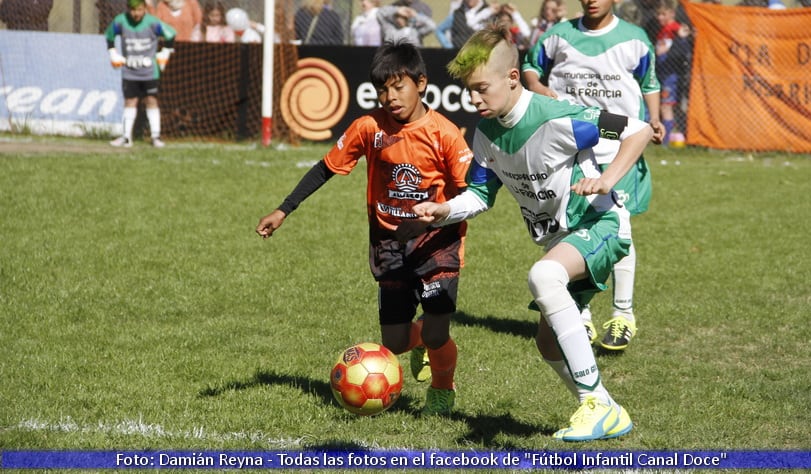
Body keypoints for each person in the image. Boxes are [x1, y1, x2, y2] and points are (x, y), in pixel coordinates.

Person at [402, 24, 652, 441]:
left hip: (600, 224)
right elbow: (481, 196)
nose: (474, 99)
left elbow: (637, 130)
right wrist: (443, 209)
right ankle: (608, 409)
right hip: (561, 240)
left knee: (543, 277)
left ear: (513, 78)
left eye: (482, 88)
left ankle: (593, 403)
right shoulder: (487, 135)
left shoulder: (559, 117)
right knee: (548, 345)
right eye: (469, 90)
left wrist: (608, 179)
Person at [255, 41, 473, 416]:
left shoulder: (445, 134)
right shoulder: (368, 127)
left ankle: (442, 387)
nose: (389, 97)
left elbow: (471, 195)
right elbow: (326, 167)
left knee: (438, 332)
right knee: (397, 342)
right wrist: (283, 209)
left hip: (437, 244)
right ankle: (420, 342)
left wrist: (431, 217)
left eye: (398, 87)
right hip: (388, 243)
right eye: (382, 90)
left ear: (421, 83)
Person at [522, 0, 663, 351]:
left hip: (620, 151)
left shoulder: (635, 38)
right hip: (573, 152)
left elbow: (649, 83)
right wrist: (541, 92)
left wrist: (655, 119)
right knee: (572, 229)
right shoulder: (558, 35)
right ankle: (580, 316)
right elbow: (529, 69)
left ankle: (622, 314)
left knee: (620, 226)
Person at [105, 0, 176, 148]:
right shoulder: (121, 21)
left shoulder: (152, 23)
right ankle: (126, 137)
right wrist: (113, 53)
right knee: (130, 102)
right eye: (133, 10)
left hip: (149, 72)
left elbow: (171, 34)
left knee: (151, 101)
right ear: (128, 9)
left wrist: (165, 52)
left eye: (139, 10)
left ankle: (156, 136)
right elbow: (109, 35)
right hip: (129, 71)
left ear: (145, 8)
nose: (136, 14)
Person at [654, 0, 691, 146]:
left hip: (672, 76)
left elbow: (680, 52)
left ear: (671, 13)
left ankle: (665, 142)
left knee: (666, 107)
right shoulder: (662, 30)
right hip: (663, 74)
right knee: (666, 107)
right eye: (658, 14)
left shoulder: (675, 30)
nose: (660, 18)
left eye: (663, 14)